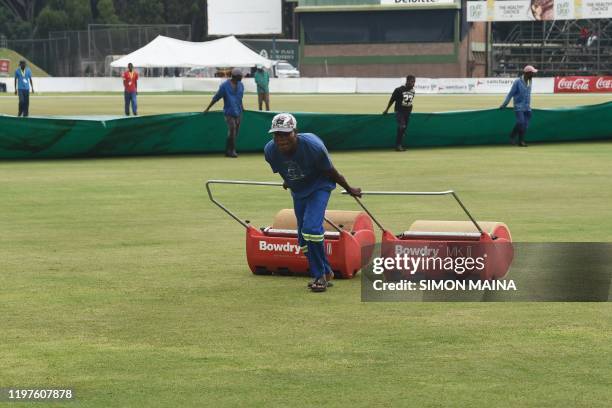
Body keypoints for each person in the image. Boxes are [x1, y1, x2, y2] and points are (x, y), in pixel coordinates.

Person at [264, 113, 362, 293]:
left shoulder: (313, 147)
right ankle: (326, 271)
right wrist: (288, 181)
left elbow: (331, 172)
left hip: (319, 185)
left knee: (311, 229)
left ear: (295, 132)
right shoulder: (270, 150)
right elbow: (283, 169)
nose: (281, 139)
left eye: (286, 134)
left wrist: (349, 188)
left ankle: (319, 277)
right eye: (277, 134)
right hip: (299, 190)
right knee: (302, 240)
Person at [203, 67, 245, 158]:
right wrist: (207, 108)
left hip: (239, 112)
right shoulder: (224, 86)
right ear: (234, 77)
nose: (241, 78)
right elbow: (216, 98)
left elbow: (240, 98)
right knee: (232, 129)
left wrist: (242, 107)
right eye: (240, 76)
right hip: (229, 112)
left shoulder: (241, 85)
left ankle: (227, 150)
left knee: (234, 133)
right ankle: (233, 151)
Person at [499, 65, 537, 147]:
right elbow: (510, 94)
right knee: (520, 122)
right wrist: (504, 104)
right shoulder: (517, 82)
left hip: (527, 107)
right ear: (528, 73)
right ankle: (512, 135)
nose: (534, 75)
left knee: (525, 125)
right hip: (519, 107)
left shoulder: (530, 81)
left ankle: (521, 141)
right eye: (532, 73)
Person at [383, 75, 416, 151]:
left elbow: (409, 102)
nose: (413, 83)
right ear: (407, 81)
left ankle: (399, 145)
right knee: (402, 126)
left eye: (414, 82)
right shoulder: (398, 90)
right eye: (412, 81)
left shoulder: (413, 91)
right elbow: (392, 100)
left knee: (403, 130)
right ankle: (398, 146)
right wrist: (387, 109)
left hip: (407, 113)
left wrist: (410, 111)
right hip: (399, 111)